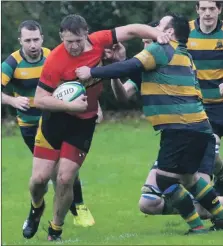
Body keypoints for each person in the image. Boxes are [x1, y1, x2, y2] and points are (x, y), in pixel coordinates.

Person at [22, 14, 171, 241]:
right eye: (68, 41)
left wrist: (156, 34)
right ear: (61, 36)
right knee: (38, 180)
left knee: (65, 178)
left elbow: (131, 29)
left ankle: (55, 229)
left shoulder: (99, 41)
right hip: (54, 120)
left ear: (86, 35)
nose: (73, 46)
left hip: (83, 123)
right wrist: (68, 105)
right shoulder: (54, 60)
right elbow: (40, 99)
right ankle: (36, 207)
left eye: (78, 41)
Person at [76, 13, 223, 234]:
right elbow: (131, 73)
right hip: (199, 127)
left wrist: (92, 71)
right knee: (188, 179)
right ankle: (220, 219)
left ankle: (197, 227)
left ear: (170, 32)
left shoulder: (161, 49)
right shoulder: (184, 54)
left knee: (164, 179)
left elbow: (128, 67)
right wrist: (118, 61)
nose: (154, 31)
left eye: (160, 27)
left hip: (180, 127)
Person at [1, 20, 95, 229]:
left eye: (36, 39)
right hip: (30, 126)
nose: (32, 44)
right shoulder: (12, 63)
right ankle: (37, 208)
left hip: (57, 120)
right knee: (44, 177)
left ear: (42, 38)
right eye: (28, 40)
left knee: (65, 169)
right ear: (20, 41)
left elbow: (75, 86)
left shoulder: (53, 56)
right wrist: (12, 100)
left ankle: (78, 207)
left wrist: (92, 106)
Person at [187, 1, 223, 196]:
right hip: (198, 105)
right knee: (210, 146)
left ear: (219, 9)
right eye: (203, 9)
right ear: (197, 10)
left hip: (221, 104)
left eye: (212, 9)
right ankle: (212, 192)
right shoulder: (186, 31)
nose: (207, 13)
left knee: (209, 146)